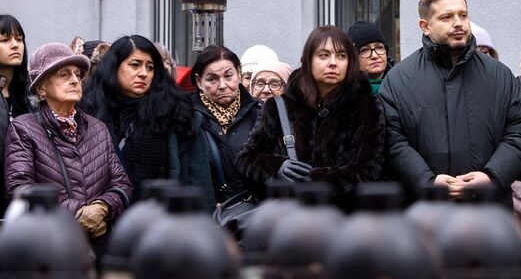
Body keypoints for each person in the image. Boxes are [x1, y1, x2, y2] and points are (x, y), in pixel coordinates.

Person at [378, 0, 521, 203]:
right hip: (426, 213)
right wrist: (427, 181)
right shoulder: (398, 80)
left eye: (463, 15)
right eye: (446, 17)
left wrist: (492, 176)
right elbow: (392, 140)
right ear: (425, 26)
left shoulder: (499, 75)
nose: (458, 23)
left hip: (488, 211)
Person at [237, 25, 384, 208]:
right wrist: (277, 168)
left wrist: (316, 180)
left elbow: (371, 169)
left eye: (341, 56)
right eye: (323, 55)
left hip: (343, 222)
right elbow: (246, 159)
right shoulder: (280, 106)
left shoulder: (366, 107)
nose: (333, 63)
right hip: (287, 220)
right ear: (308, 60)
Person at [5, 43, 132, 240]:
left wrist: (102, 208)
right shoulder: (24, 128)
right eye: (64, 74)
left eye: (77, 74)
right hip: (51, 243)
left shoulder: (97, 128)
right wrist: (80, 213)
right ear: (41, 88)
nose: (75, 80)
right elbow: (20, 187)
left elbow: (122, 183)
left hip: (99, 243)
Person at [80, 35, 203, 203]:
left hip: (161, 218)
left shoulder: (175, 112)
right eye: (135, 65)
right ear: (114, 67)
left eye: (150, 67)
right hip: (104, 218)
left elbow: (198, 179)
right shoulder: (87, 113)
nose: (143, 73)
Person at [192, 44, 260, 203]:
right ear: (199, 81)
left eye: (228, 76)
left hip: (253, 214)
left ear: (239, 73)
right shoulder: (185, 117)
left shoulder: (260, 113)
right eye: (212, 79)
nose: (222, 85)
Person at [0, 15, 32, 213]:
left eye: (19, 39)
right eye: (5, 40)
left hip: (23, 198)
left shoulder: (31, 94)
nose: (15, 45)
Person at [347, 21, 393, 95]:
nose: (374, 55)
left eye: (379, 47)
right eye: (365, 50)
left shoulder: (401, 84)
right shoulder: (344, 95)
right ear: (353, 58)